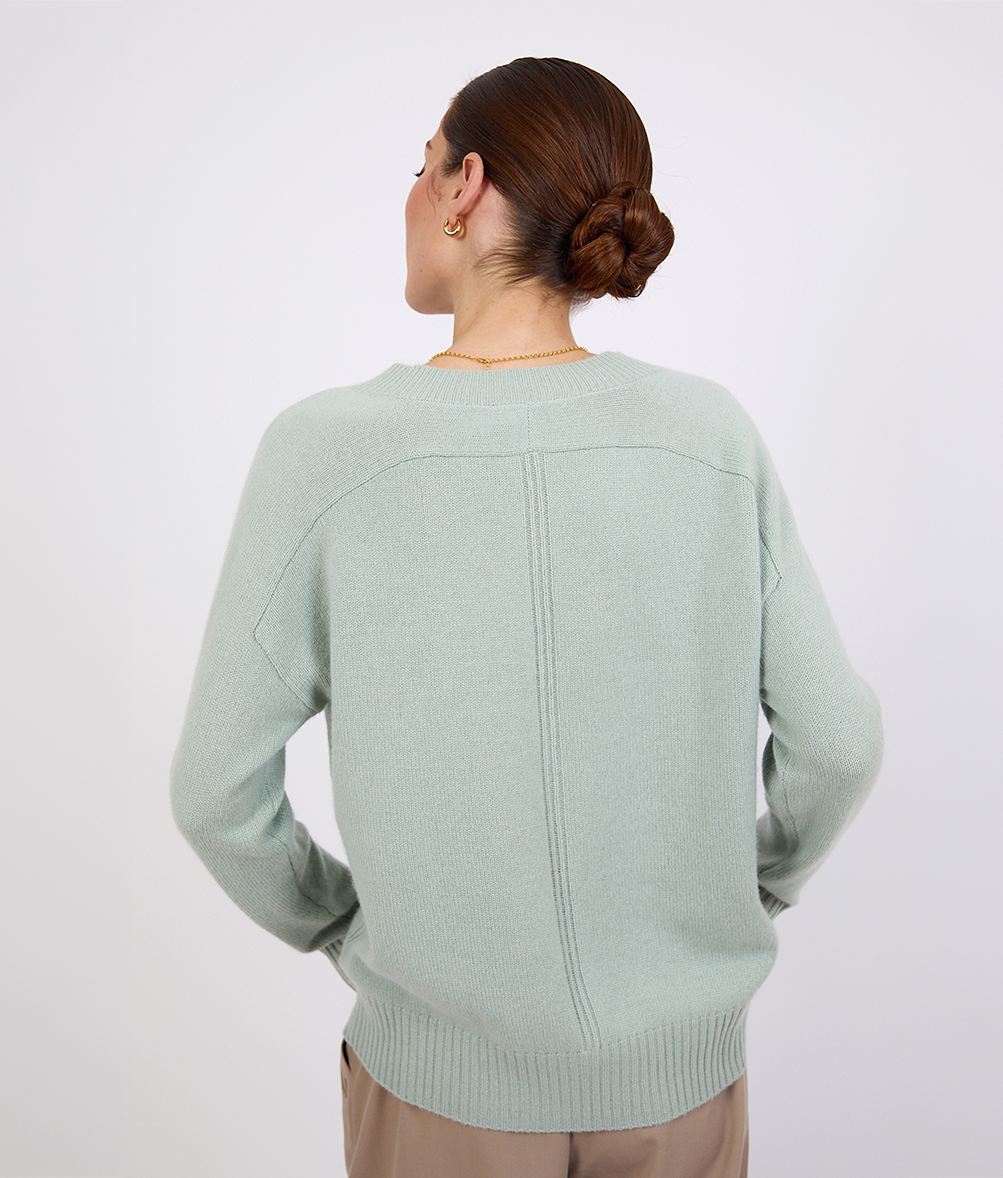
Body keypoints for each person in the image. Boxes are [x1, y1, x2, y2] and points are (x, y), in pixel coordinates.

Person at [170, 56, 884, 1178]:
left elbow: (215, 792)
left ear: (463, 184)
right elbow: (837, 743)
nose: (409, 195)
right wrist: (741, 894)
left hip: (439, 1094)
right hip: (680, 1090)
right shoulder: (709, 438)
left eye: (419, 167)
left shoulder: (325, 453)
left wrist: (344, 931)